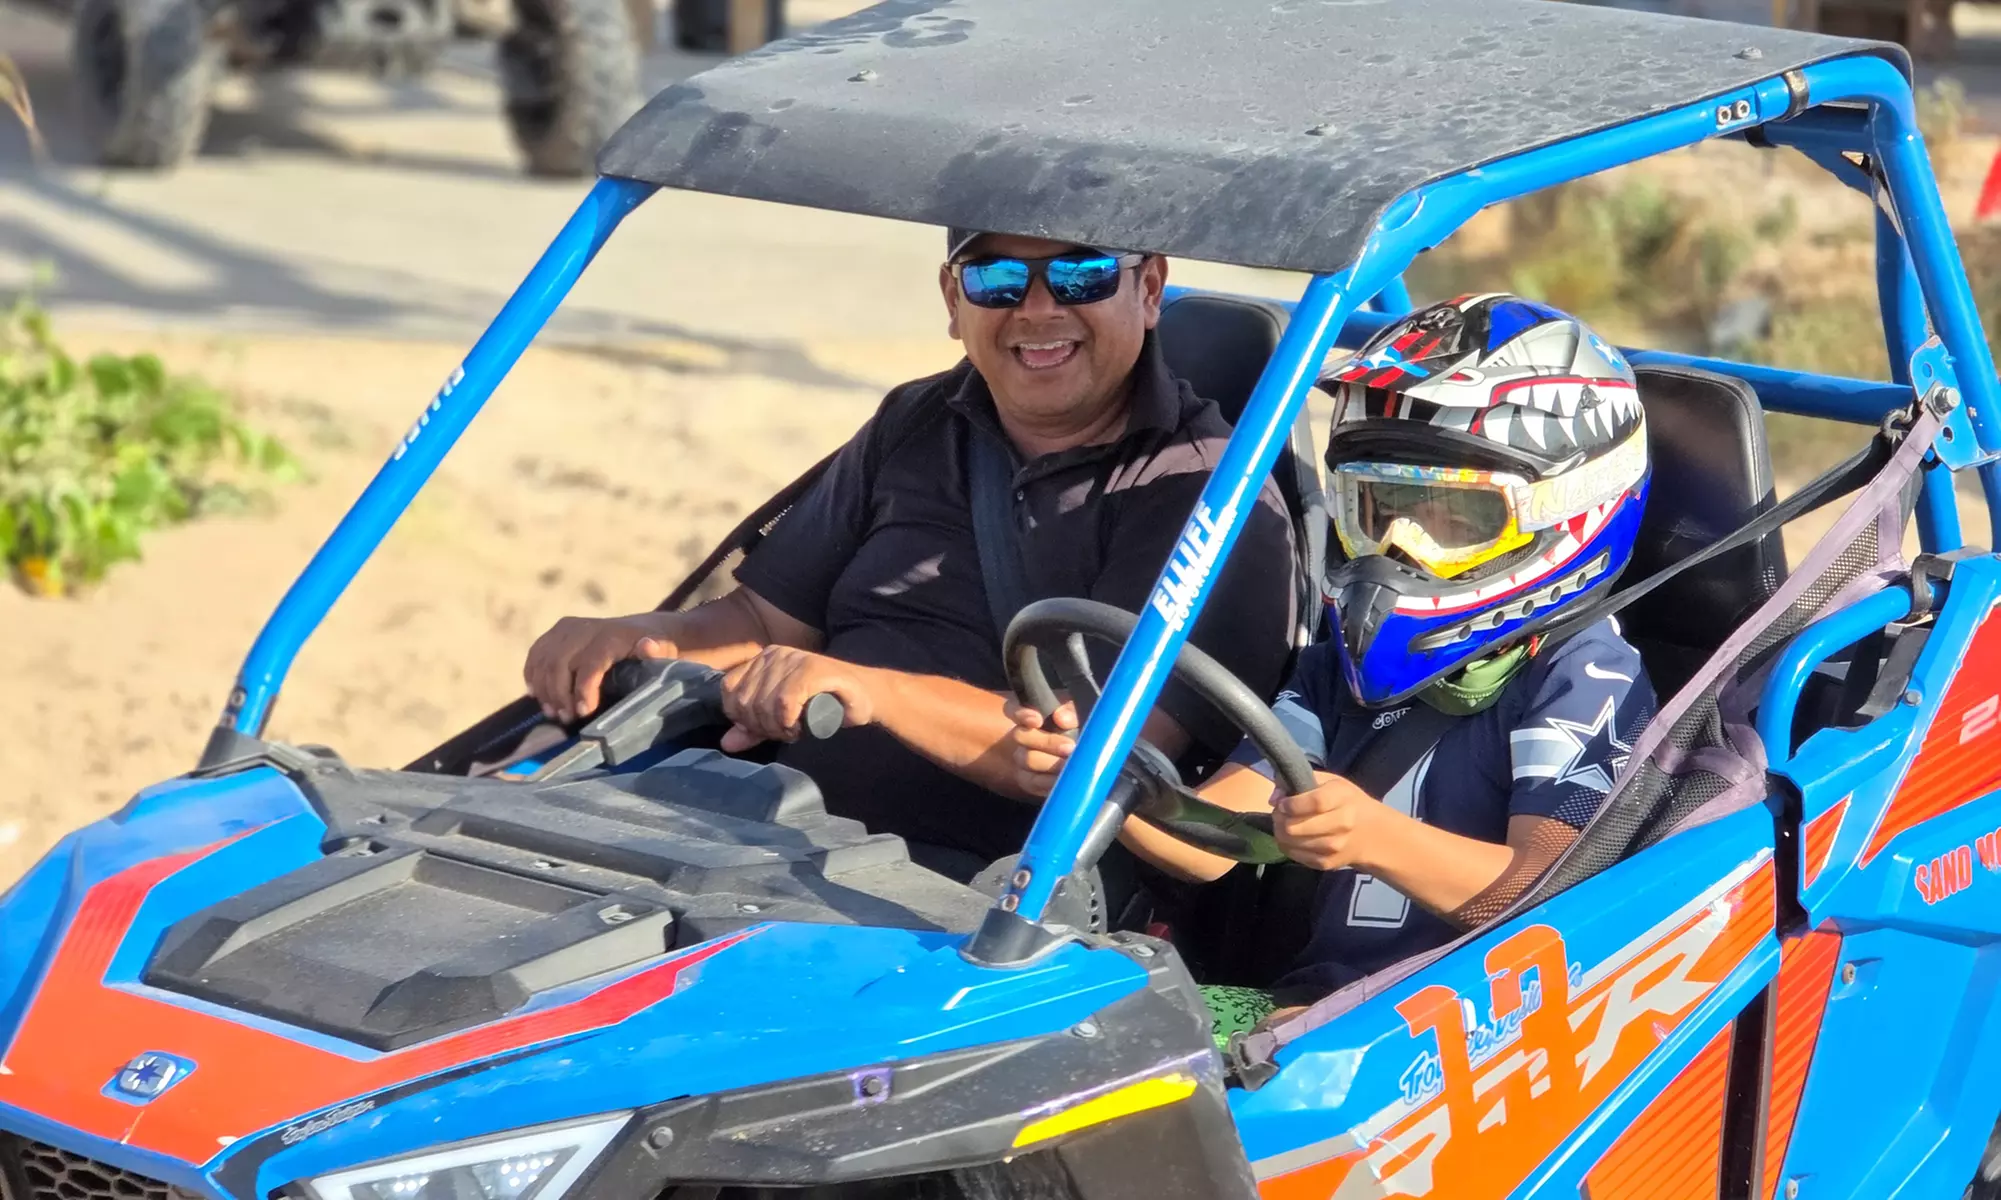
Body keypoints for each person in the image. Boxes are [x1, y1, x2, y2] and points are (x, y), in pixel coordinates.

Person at [522, 228, 1298, 882]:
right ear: (952, 302)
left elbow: (1102, 761)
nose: (1036, 308)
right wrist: (633, 635)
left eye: (1079, 273)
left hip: (982, 905)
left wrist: (872, 692)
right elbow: (763, 618)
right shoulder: (918, 418)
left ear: (1150, 288)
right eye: (995, 278)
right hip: (766, 839)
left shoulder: (1208, 495)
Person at [1011, 294, 1658, 1041]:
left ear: (1570, 510)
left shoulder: (1582, 676)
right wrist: (1100, 775)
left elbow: (1547, 891)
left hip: (1463, 1036)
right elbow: (1209, 848)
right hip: (1312, 1013)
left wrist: (1378, 838)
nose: (1402, 548)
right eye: (1380, 508)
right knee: (1057, 1026)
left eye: (1455, 518)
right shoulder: (1336, 667)